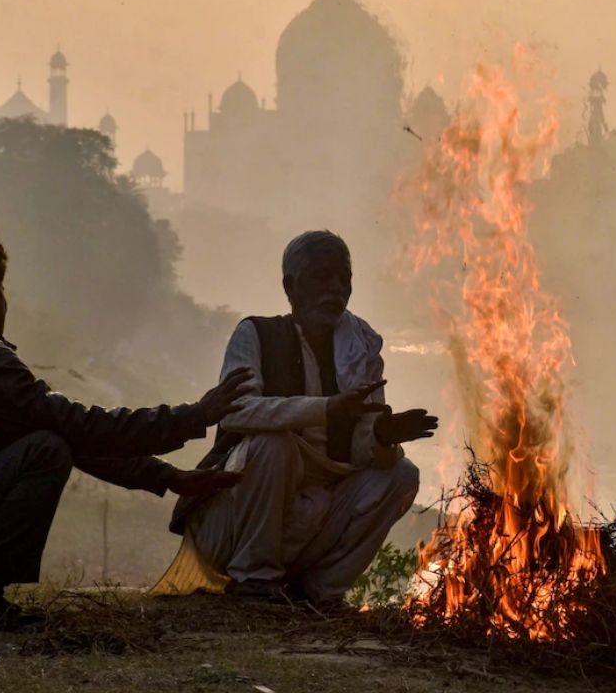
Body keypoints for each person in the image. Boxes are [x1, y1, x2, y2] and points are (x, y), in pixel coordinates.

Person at [0, 230, 255, 629]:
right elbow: (78, 427)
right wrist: (195, 415)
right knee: (45, 449)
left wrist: (167, 476)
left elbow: (74, 435)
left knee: (47, 441)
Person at [156, 230, 437, 606]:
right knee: (274, 443)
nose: (336, 289)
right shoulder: (255, 334)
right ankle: (254, 579)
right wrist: (325, 408)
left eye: (344, 279)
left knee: (402, 474)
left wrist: (384, 435)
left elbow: (362, 451)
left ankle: (322, 591)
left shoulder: (361, 351)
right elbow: (237, 412)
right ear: (291, 286)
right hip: (235, 522)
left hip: (314, 516)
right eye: (322, 277)